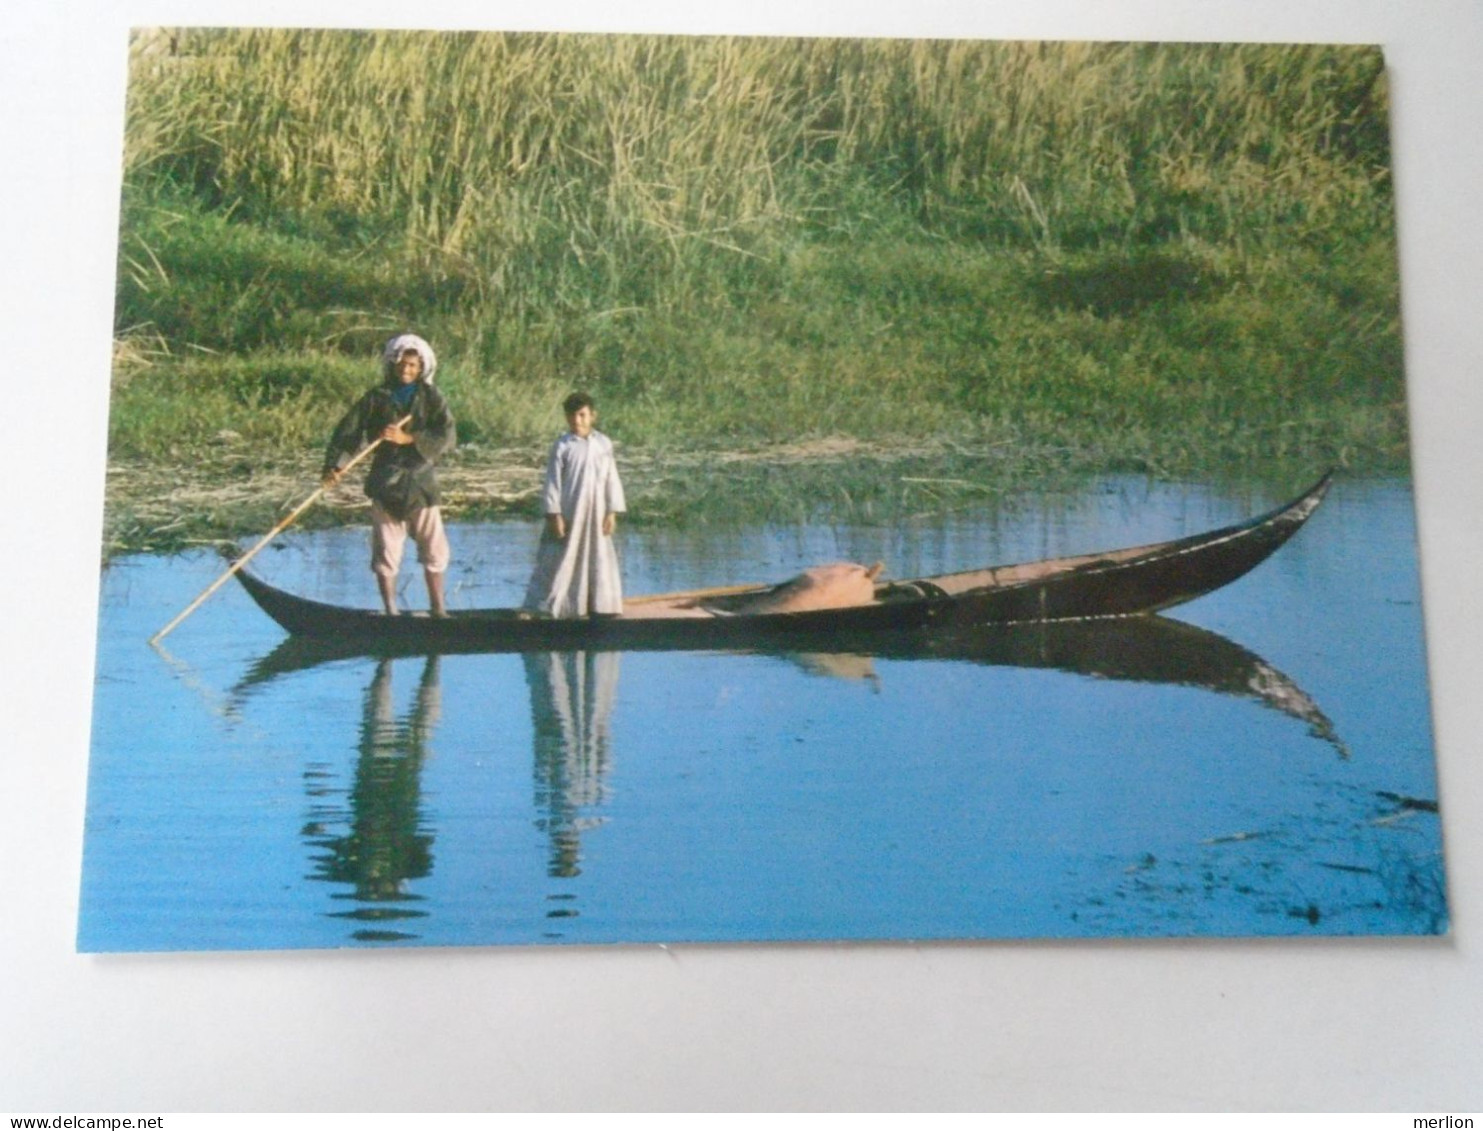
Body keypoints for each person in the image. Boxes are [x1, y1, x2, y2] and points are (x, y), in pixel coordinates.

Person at [322, 333, 454, 617]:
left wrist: (409, 439)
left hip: (421, 483)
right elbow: (349, 431)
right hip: (385, 482)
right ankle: (391, 612)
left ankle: (439, 610)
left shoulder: (431, 397)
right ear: (392, 364)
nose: (406, 371)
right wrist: (335, 466)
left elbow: (446, 435)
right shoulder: (376, 398)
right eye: (401, 365)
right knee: (386, 551)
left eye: (412, 366)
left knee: (434, 549)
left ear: (421, 368)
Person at [522, 391, 627, 618]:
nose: (576, 421)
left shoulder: (603, 444)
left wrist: (612, 512)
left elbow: (611, 478)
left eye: (582, 415)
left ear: (592, 416)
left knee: (598, 556)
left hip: (597, 512)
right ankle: (549, 605)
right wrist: (554, 514)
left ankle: (599, 605)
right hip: (570, 512)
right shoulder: (563, 446)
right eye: (572, 416)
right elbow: (552, 482)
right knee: (559, 557)